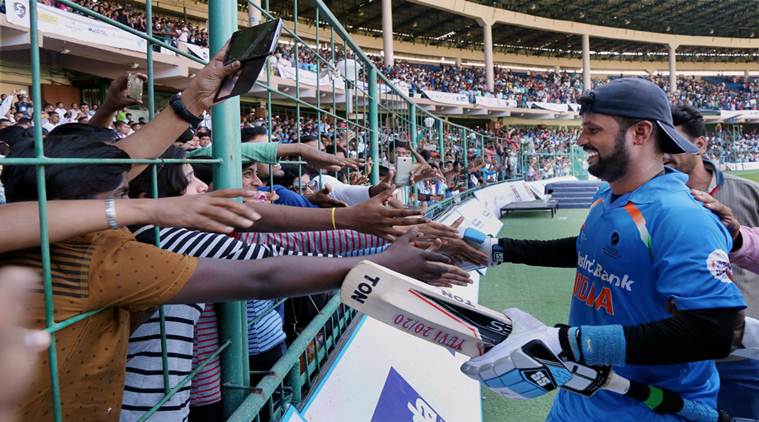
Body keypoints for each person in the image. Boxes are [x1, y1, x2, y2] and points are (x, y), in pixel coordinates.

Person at [460, 78, 745, 421]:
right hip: (578, 402)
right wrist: (500, 250)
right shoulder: (606, 196)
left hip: (649, 411)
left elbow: (715, 332)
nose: (581, 140)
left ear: (640, 133)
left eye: (593, 130)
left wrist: (573, 343)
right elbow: (589, 251)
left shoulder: (683, 217)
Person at [665, 105, 759, 418]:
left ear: (700, 145)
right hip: (677, 355)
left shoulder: (748, 193)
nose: (664, 153)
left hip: (742, 357)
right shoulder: (652, 200)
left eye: (673, 143)